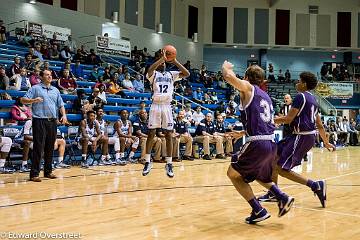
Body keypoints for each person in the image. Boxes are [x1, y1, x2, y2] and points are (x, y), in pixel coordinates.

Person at [222, 61, 294, 224]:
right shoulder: (266, 96)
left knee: (233, 174)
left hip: (257, 143)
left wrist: (227, 67)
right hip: (270, 143)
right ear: (262, 81)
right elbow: (264, 122)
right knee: (258, 174)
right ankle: (282, 197)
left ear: (247, 78)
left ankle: (258, 209)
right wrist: (242, 132)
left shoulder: (248, 88)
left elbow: (228, 77)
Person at [257, 72, 335, 208]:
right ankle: (273, 193)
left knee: (281, 169)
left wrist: (267, 120)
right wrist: (326, 142)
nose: (296, 83)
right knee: (273, 159)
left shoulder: (301, 96)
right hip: (303, 136)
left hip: (302, 136)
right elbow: (320, 125)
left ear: (304, 84)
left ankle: (315, 185)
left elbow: (288, 119)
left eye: (299, 81)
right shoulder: (314, 100)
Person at [142, 49, 190, 177]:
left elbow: (187, 73)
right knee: (151, 133)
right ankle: (147, 161)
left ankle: (169, 163)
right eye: (161, 60)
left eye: (164, 61)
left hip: (167, 106)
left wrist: (174, 61)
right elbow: (149, 71)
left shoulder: (171, 74)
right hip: (156, 105)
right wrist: (161, 59)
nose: (163, 63)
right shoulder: (154, 74)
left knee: (169, 134)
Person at [20, 70, 69, 182]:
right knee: (39, 147)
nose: (49, 76)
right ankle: (34, 174)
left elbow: (61, 104)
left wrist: (64, 115)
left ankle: (48, 171)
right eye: (47, 74)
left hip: (52, 121)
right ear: (41, 77)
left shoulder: (56, 90)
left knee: (50, 147)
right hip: (39, 120)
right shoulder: (35, 88)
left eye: (51, 75)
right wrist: (33, 100)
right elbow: (23, 99)